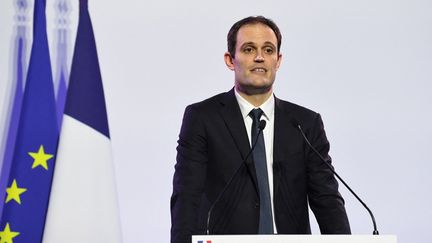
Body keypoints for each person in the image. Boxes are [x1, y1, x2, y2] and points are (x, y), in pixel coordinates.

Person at [170, 16, 351, 243]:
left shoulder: (305, 123)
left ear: (278, 60)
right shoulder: (202, 118)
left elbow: (327, 200)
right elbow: (187, 196)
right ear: (230, 59)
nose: (259, 57)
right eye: (248, 49)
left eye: (268, 50)